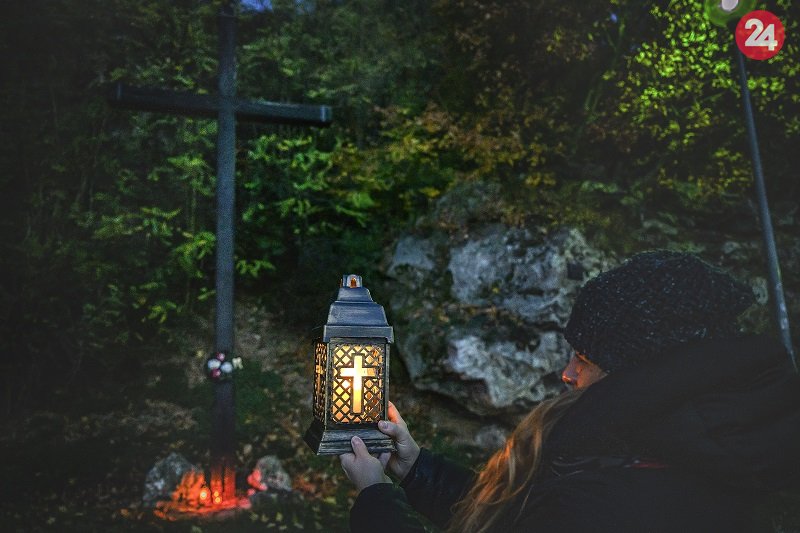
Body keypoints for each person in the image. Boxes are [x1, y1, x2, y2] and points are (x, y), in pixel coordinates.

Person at [339, 250, 800, 532]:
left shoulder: (614, 503)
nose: (567, 373)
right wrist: (416, 469)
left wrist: (375, 497)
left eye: (584, 357)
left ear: (635, 372)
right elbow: (522, 520)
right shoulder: (672, 452)